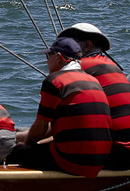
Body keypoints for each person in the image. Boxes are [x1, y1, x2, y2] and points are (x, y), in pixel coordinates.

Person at [7, 36, 113, 176]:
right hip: (101, 159)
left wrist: (26, 144)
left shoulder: (55, 81)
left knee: (15, 152)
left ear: (58, 57)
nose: (47, 61)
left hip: (73, 161)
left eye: (47, 56)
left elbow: (40, 128)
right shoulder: (93, 81)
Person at [60, 22, 130, 171]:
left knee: (23, 152)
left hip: (114, 152)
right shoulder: (112, 67)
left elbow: (60, 122)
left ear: (87, 45)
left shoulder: (79, 68)